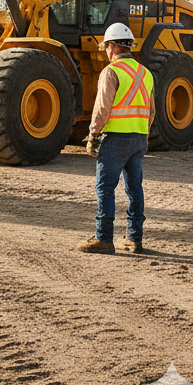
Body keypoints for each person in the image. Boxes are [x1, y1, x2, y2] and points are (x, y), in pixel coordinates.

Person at [78, 23, 153, 254]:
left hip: (116, 139)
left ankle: (103, 239)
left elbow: (102, 109)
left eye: (106, 47)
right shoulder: (145, 73)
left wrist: (93, 135)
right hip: (139, 138)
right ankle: (134, 238)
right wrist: (143, 133)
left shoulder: (111, 72)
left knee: (105, 188)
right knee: (134, 189)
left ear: (112, 46)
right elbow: (151, 111)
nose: (106, 53)